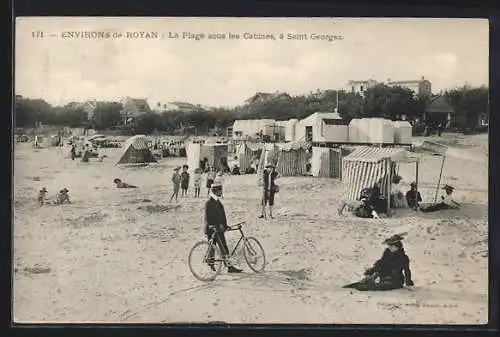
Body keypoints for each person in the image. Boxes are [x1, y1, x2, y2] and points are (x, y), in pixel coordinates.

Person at [343, 234, 414, 291]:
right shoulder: (387, 254)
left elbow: (407, 271)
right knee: (367, 280)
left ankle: (364, 286)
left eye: (391, 245)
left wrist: (408, 283)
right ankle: (360, 284)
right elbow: (381, 263)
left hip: (395, 281)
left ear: (397, 247)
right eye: (389, 245)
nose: (389, 247)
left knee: (370, 287)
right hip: (384, 277)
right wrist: (372, 271)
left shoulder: (403, 258)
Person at [204, 182, 242, 273]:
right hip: (212, 229)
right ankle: (213, 265)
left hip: (218, 229)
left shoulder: (218, 202)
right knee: (213, 247)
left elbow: (222, 216)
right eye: (220, 190)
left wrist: (225, 226)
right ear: (216, 191)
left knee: (221, 247)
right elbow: (209, 218)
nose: (221, 192)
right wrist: (217, 226)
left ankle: (226, 266)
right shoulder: (209, 202)